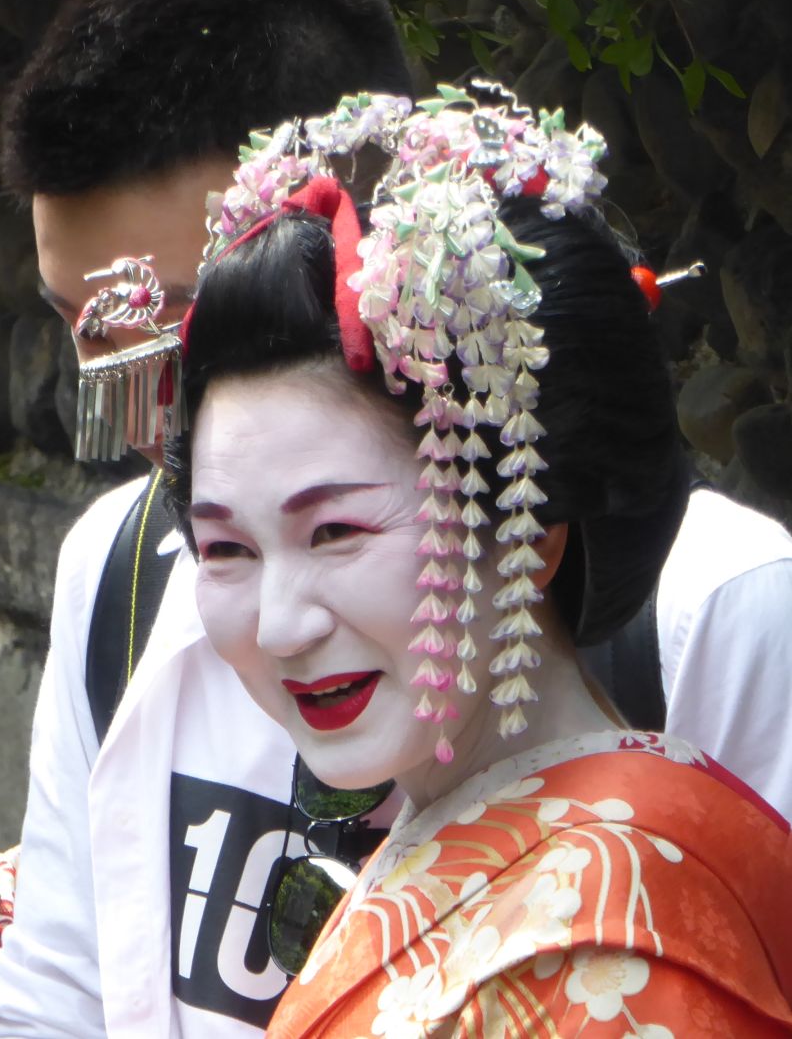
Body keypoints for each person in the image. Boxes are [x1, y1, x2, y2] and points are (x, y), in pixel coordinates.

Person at [0, 0, 792, 1036]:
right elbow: (57, 997)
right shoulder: (124, 569)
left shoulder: (716, 613)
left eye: (180, 329)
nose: (159, 422)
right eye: (90, 342)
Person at [150, 87, 792, 1034]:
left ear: (531, 533)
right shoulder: (468, 823)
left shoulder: (612, 942)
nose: (280, 625)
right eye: (227, 549)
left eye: (336, 532)